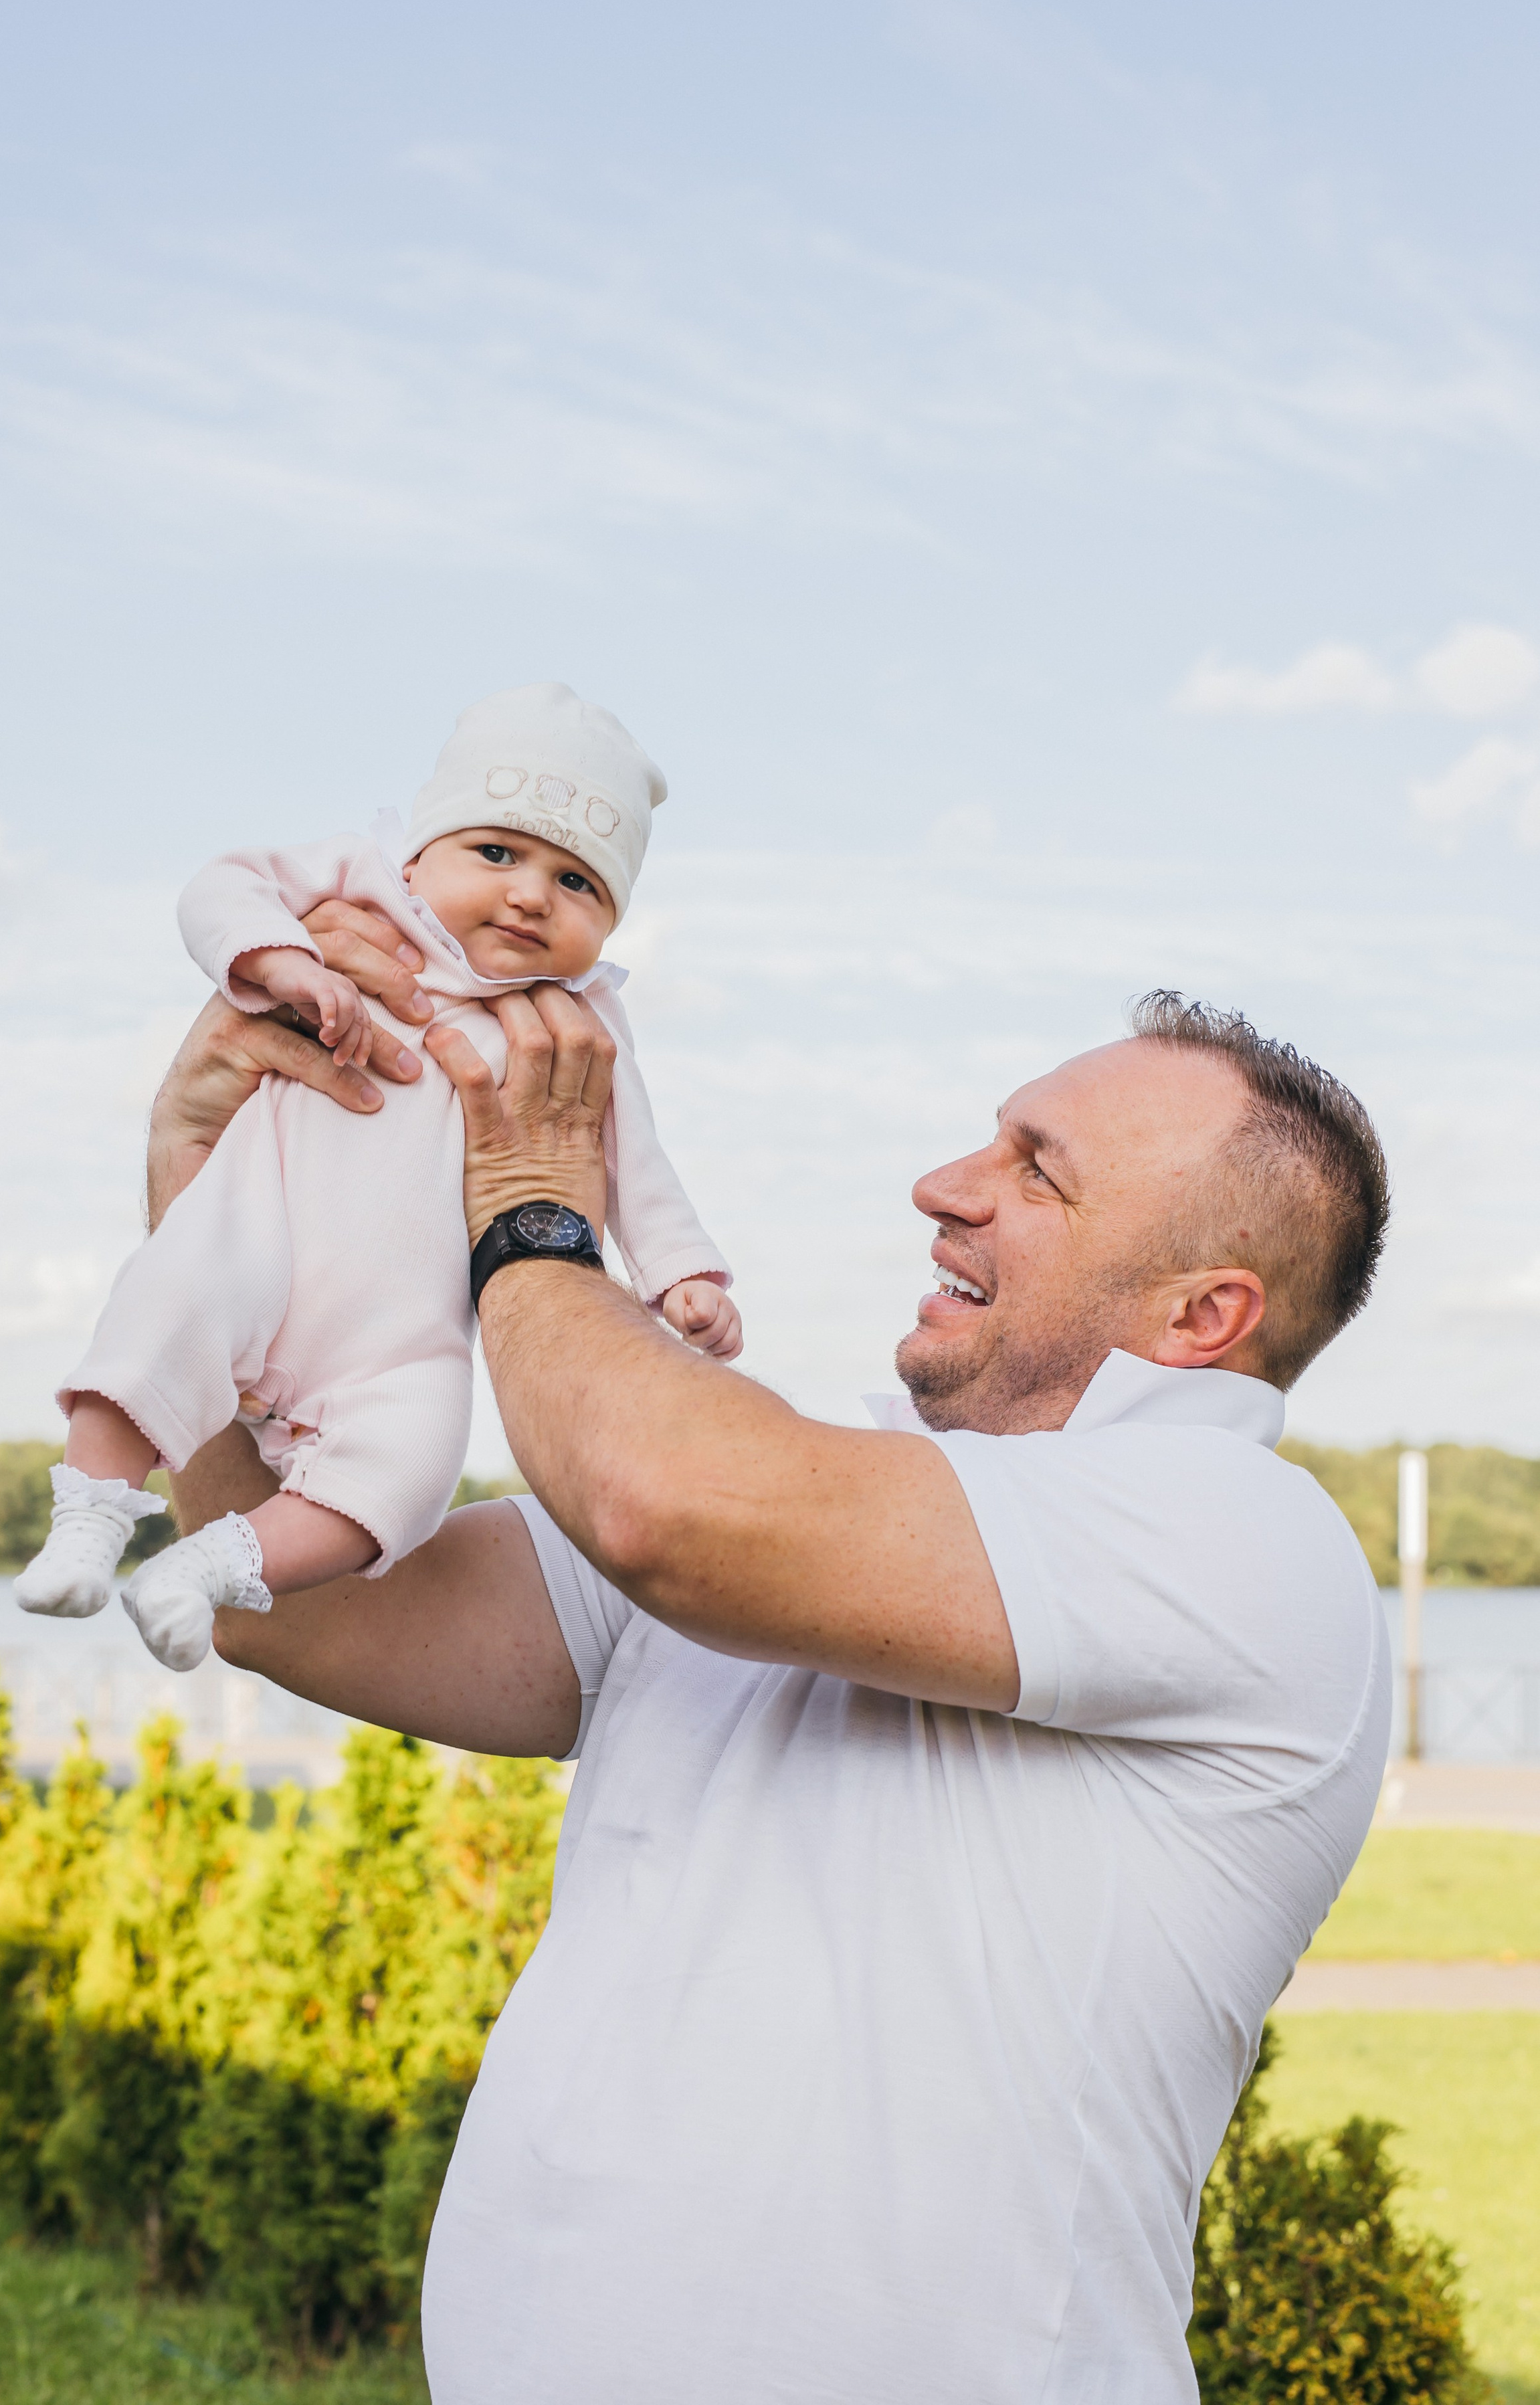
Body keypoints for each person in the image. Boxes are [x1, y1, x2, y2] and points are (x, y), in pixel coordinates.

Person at [159, 951, 1391, 2404]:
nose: (944, 1186)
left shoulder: (1241, 1534)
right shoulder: (807, 1512)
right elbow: (288, 1607)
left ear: (1201, 1320)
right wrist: (207, 1214)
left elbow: (658, 1502)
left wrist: (534, 1200)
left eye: (1036, 1173)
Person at [13, 682, 737, 1672]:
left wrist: (681, 1272)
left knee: (416, 1460)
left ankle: (211, 1566)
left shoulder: (582, 1026)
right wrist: (284, 963)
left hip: (402, 1332)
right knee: (162, 1307)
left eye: (579, 883)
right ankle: (89, 1521)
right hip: (257, 1236)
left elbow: (636, 1160)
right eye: (497, 853)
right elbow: (223, 886)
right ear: (419, 854)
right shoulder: (362, 895)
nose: (532, 894)